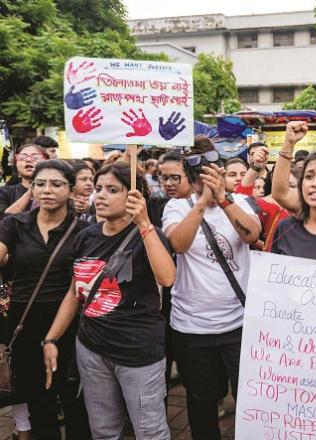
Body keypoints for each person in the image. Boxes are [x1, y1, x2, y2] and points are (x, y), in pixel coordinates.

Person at [42, 162, 175, 439]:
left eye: (112, 190)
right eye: (98, 188)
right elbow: (74, 292)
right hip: (91, 348)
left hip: (138, 351)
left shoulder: (148, 235)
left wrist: (145, 225)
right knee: (103, 428)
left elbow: (166, 278)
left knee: (149, 430)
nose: (100, 195)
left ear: (133, 197)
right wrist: (51, 339)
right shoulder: (86, 237)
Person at [162, 142, 260, 440]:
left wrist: (223, 199)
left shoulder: (239, 203)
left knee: (248, 396)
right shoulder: (176, 206)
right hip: (192, 326)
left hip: (238, 323)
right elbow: (178, 244)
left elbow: (252, 234)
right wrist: (202, 201)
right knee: (201, 399)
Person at [0, 160, 91, 439]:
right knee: (38, 400)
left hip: (70, 321)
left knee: (74, 397)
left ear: (71, 189)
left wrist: (53, 337)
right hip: (25, 321)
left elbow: (77, 289)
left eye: (56, 184)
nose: (46, 190)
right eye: (40, 184)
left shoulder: (83, 230)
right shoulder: (15, 224)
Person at [0, 144, 48, 216]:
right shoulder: (4, 192)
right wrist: (31, 191)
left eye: (35, 157)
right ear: (16, 164)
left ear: (47, 162)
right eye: (22, 157)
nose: (28, 160)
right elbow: (3, 220)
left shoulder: (56, 190)